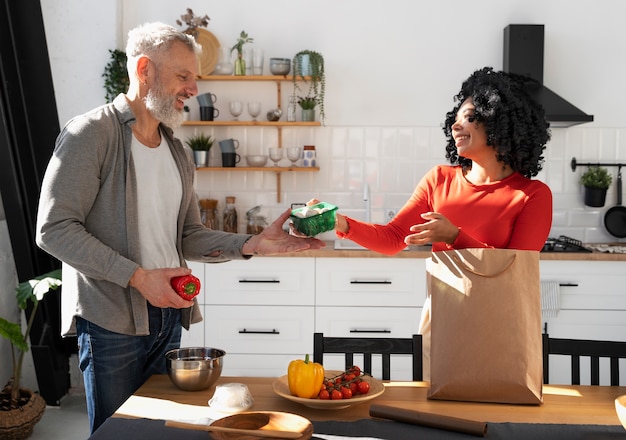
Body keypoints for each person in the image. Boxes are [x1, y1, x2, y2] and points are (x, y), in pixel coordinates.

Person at [35, 22, 324, 433]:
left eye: (195, 79)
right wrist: (136, 278)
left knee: (162, 431)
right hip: (111, 321)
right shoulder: (91, 135)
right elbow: (54, 228)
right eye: (183, 76)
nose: (193, 89)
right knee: (118, 434)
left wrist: (254, 243)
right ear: (144, 70)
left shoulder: (177, 150)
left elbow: (188, 235)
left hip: (169, 315)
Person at [310, 67, 552, 378]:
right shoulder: (439, 180)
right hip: (444, 317)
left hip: (503, 323)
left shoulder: (533, 195)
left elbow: (515, 272)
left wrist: (454, 236)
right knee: (437, 411)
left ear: (500, 123)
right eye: (457, 116)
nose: (455, 124)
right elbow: (393, 238)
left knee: (501, 418)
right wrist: (339, 222)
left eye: (469, 117)